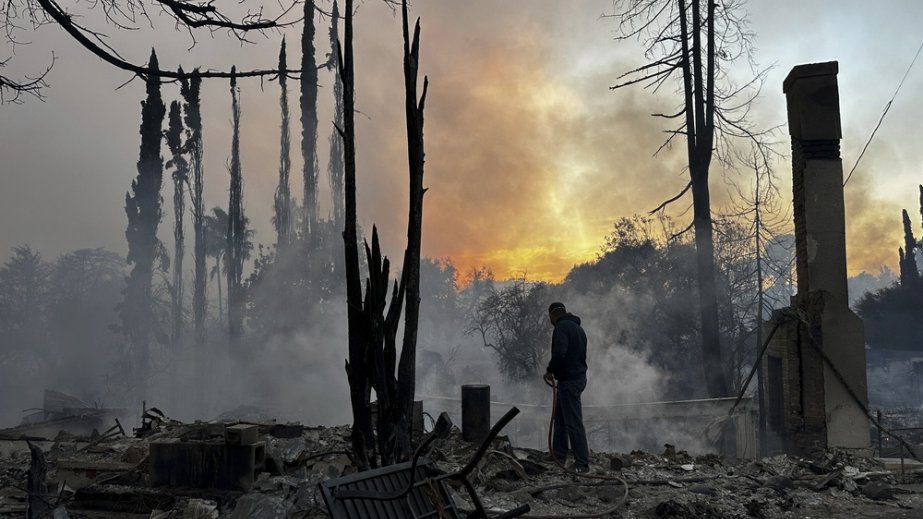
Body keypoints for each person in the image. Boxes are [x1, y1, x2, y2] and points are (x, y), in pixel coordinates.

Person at [543, 302, 590, 473]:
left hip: (570, 381)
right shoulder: (578, 329)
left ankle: (582, 463)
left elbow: (559, 353)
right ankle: (559, 453)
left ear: (552, 315)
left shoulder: (561, 327)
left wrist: (550, 370)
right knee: (561, 418)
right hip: (575, 378)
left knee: (573, 422)